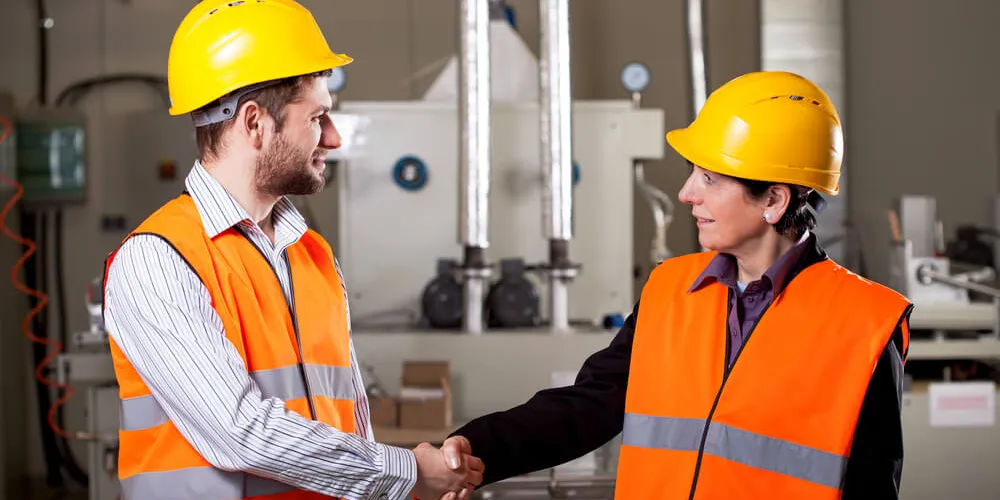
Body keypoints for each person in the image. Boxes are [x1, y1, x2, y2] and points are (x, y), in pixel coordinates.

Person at [440, 71, 914, 499]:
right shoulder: (670, 289)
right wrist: (478, 447)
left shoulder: (863, 325)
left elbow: (872, 487)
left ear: (773, 198)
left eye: (708, 178)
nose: (687, 193)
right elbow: (589, 406)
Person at [102, 1, 482, 498]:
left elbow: (352, 423)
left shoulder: (312, 254)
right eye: (318, 117)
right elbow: (241, 433)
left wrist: (400, 482)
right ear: (255, 124)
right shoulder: (158, 260)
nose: (334, 136)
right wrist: (409, 471)